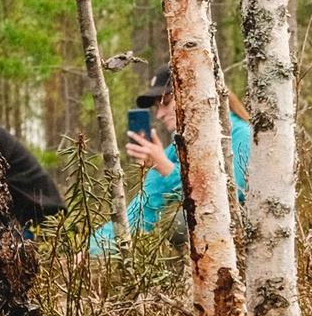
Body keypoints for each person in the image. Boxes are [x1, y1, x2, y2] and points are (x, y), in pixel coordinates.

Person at [87, 65, 251, 253]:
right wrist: (87, 253)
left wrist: (166, 168)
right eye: (157, 106)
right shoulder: (177, 148)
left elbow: (229, 203)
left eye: (166, 102)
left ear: (193, 95)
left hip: (243, 245)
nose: (159, 114)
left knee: (180, 222)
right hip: (207, 255)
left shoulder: (241, 136)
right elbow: (142, 211)